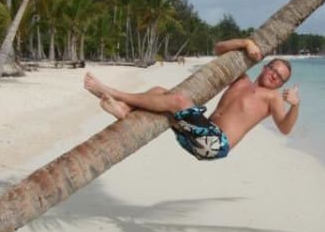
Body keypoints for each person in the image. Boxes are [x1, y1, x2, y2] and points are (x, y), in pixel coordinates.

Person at [83, 38, 300, 160]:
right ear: (265, 66)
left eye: (280, 78)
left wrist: (295, 106)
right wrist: (245, 43)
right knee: (159, 91)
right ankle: (125, 111)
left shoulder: (272, 98)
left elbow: (285, 128)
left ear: (281, 84)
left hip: (215, 144)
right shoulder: (241, 79)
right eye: (274, 70)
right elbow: (219, 49)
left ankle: (113, 92)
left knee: (177, 100)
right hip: (199, 136)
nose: (275, 76)